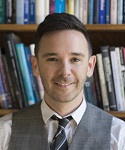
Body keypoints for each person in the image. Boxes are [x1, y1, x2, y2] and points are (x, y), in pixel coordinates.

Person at [0, 13, 125, 150]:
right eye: (53, 59)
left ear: (90, 66)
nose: (65, 72)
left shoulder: (119, 136)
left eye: (75, 59)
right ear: (35, 66)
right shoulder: (5, 133)